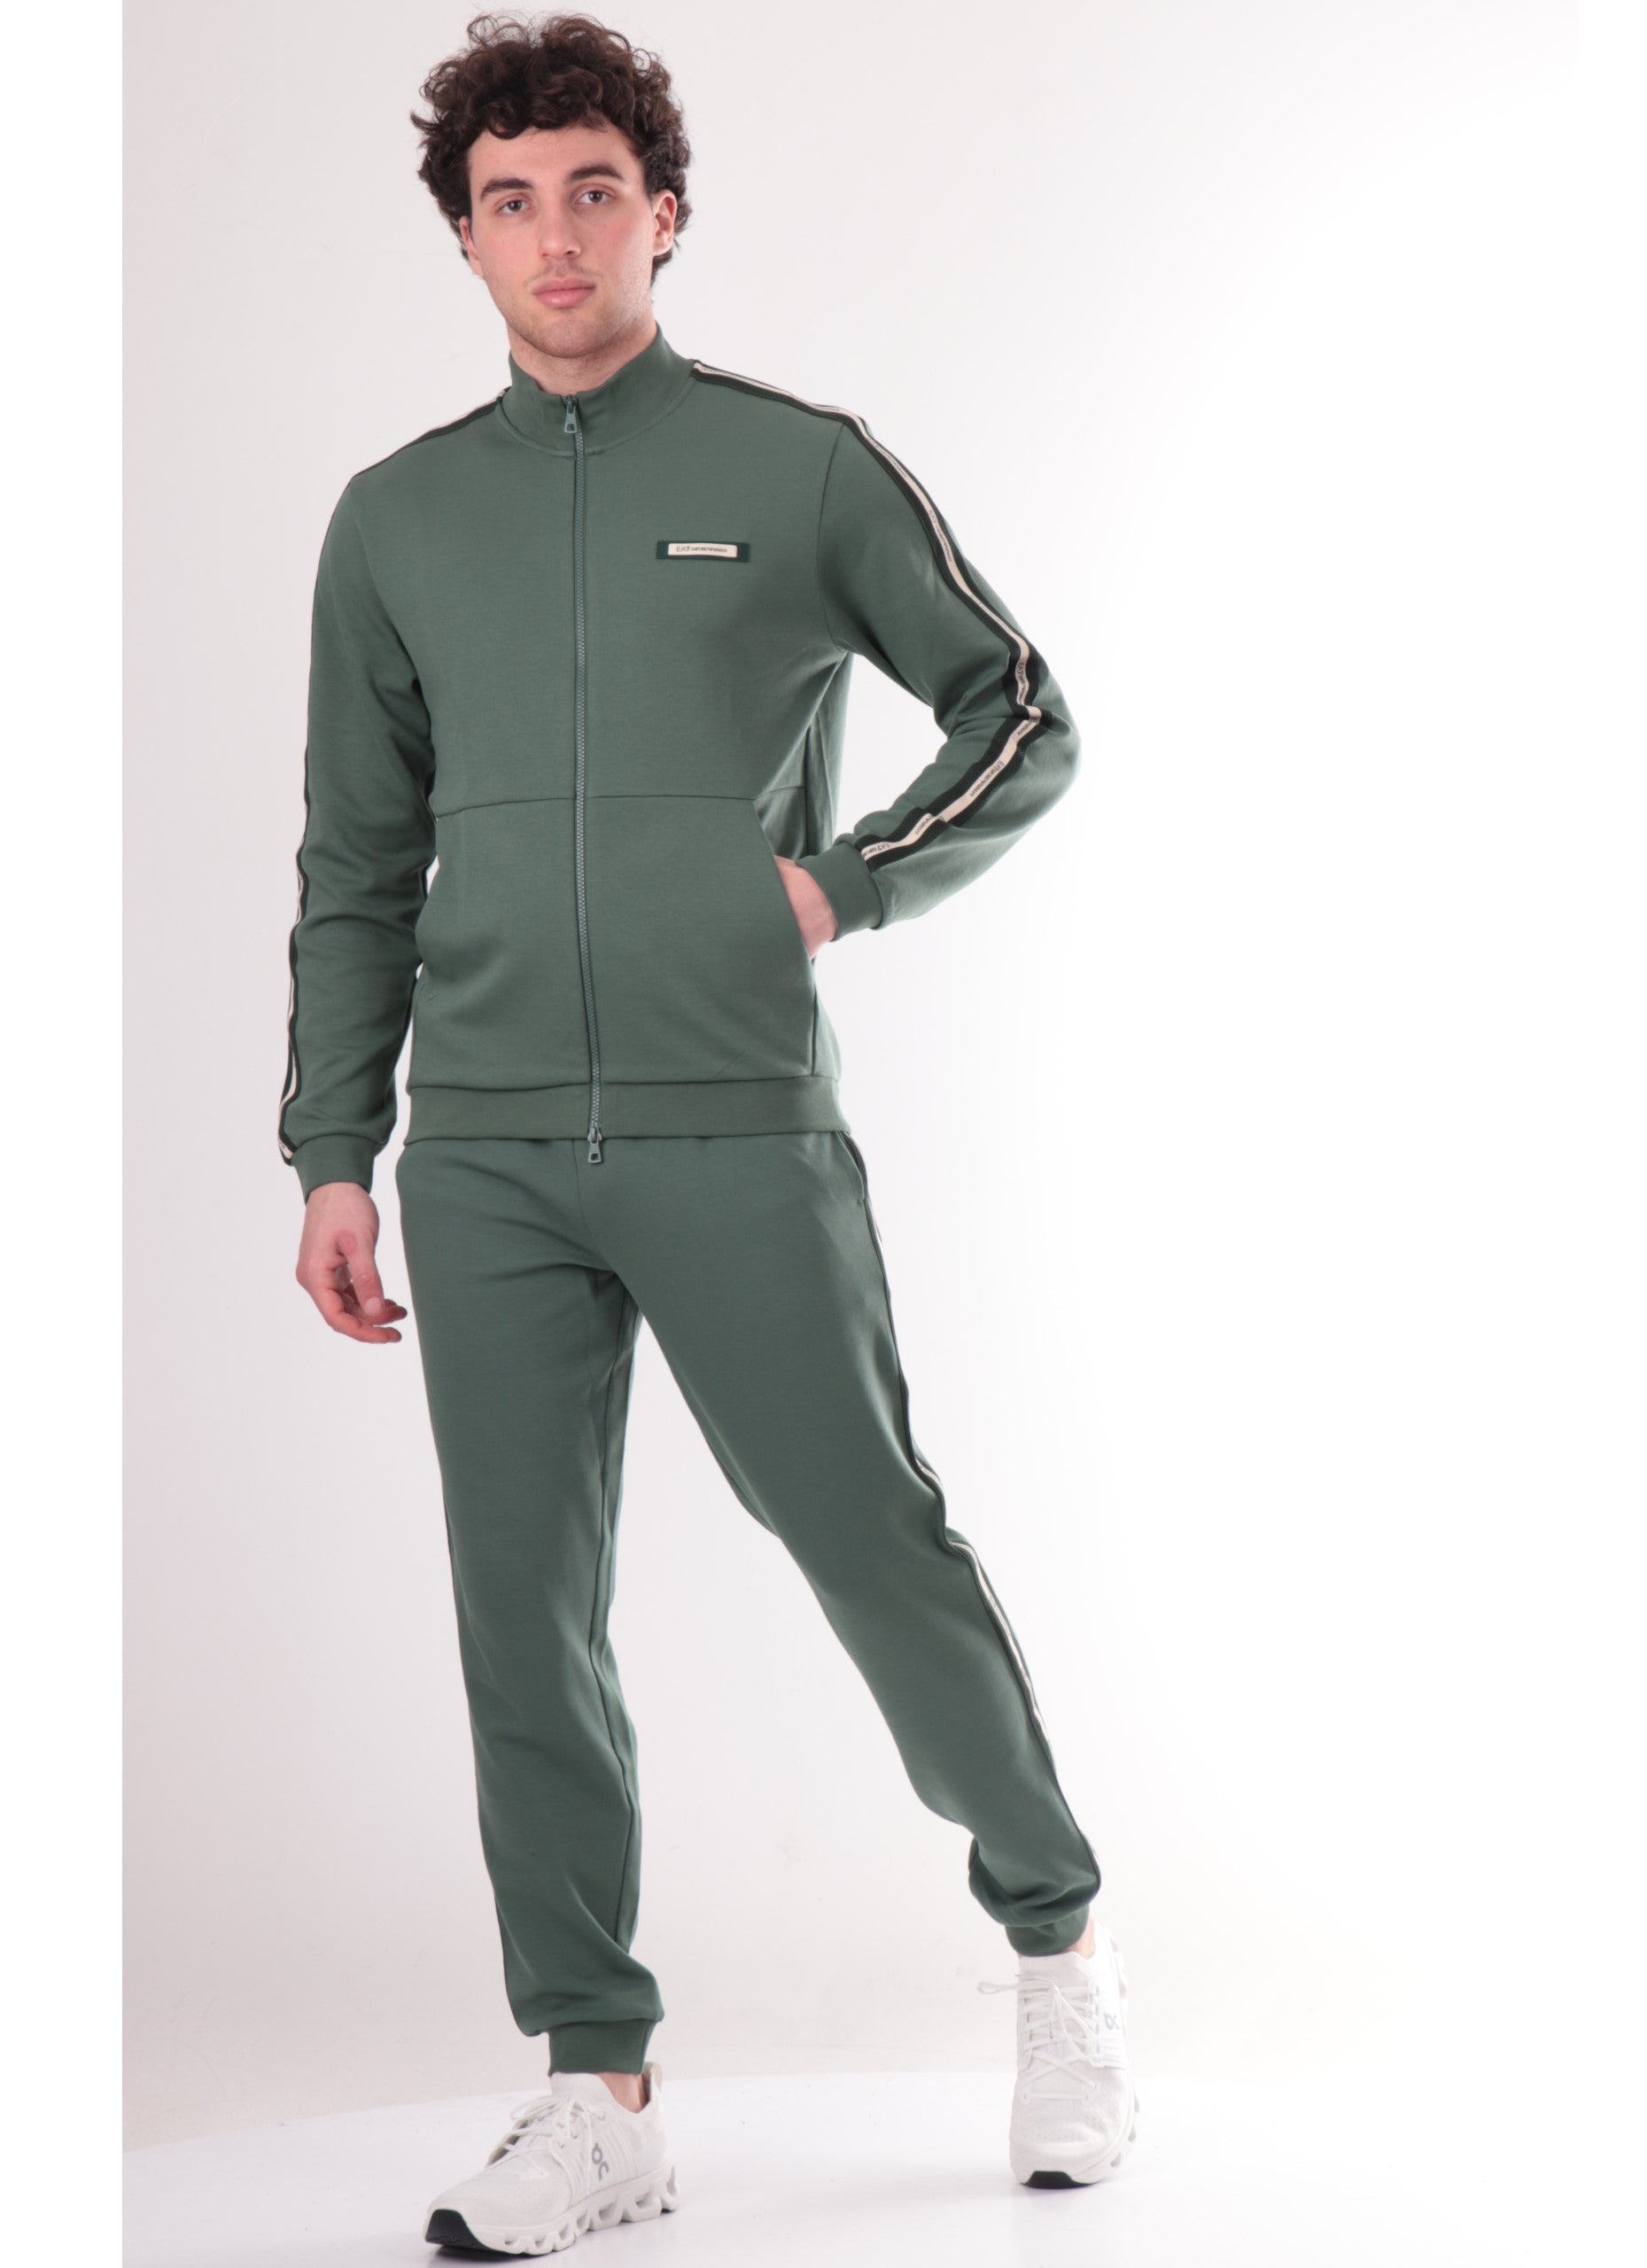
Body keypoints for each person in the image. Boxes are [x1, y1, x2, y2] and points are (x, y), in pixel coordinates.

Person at [278, 11, 1135, 2252]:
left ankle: (1058, 1943)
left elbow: (1020, 709)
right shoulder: (396, 520)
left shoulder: (802, 468)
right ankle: (600, 2085)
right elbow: (355, 861)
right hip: (481, 1150)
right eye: (509, 202)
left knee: (873, 1545)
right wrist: (333, 1149)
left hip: (734, 1122)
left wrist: (839, 883)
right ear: (466, 240)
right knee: (522, 1619)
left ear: (663, 212)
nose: (553, 236)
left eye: (592, 191)